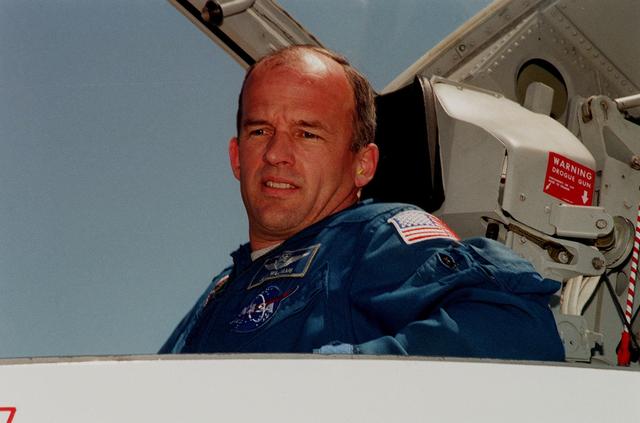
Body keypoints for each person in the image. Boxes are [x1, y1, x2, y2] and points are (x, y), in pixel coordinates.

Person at [160, 45, 564, 360]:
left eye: (307, 134)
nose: (276, 154)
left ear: (363, 165)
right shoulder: (220, 291)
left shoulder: (372, 239)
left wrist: (337, 382)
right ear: (236, 157)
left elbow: (516, 329)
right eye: (260, 131)